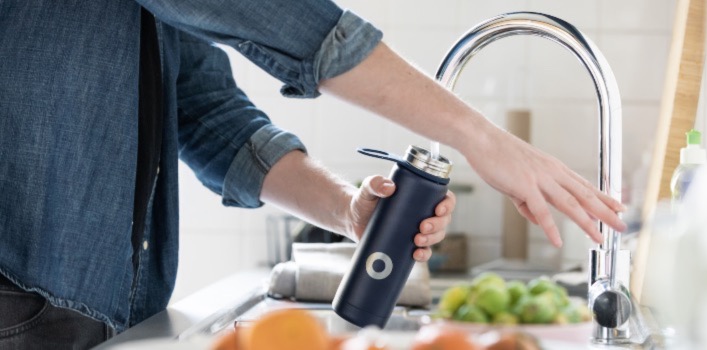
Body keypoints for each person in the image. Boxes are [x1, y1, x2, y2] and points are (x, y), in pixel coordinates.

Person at [0, 1, 625, 348]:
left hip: (86, 312)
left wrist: (347, 209)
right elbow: (282, 20)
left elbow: (203, 110)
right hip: (18, 297)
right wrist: (480, 137)